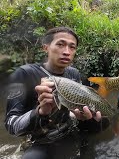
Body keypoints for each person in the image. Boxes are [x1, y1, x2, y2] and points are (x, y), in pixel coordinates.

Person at [4, 27, 108, 159]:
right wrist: (40, 112)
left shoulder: (73, 73)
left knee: (102, 123)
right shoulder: (24, 74)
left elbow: (76, 110)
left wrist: (85, 115)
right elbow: (11, 125)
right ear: (45, 47)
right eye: (60, 44)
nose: (66, 52)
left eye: (72, 47)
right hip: (40, 140)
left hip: (69, 131)